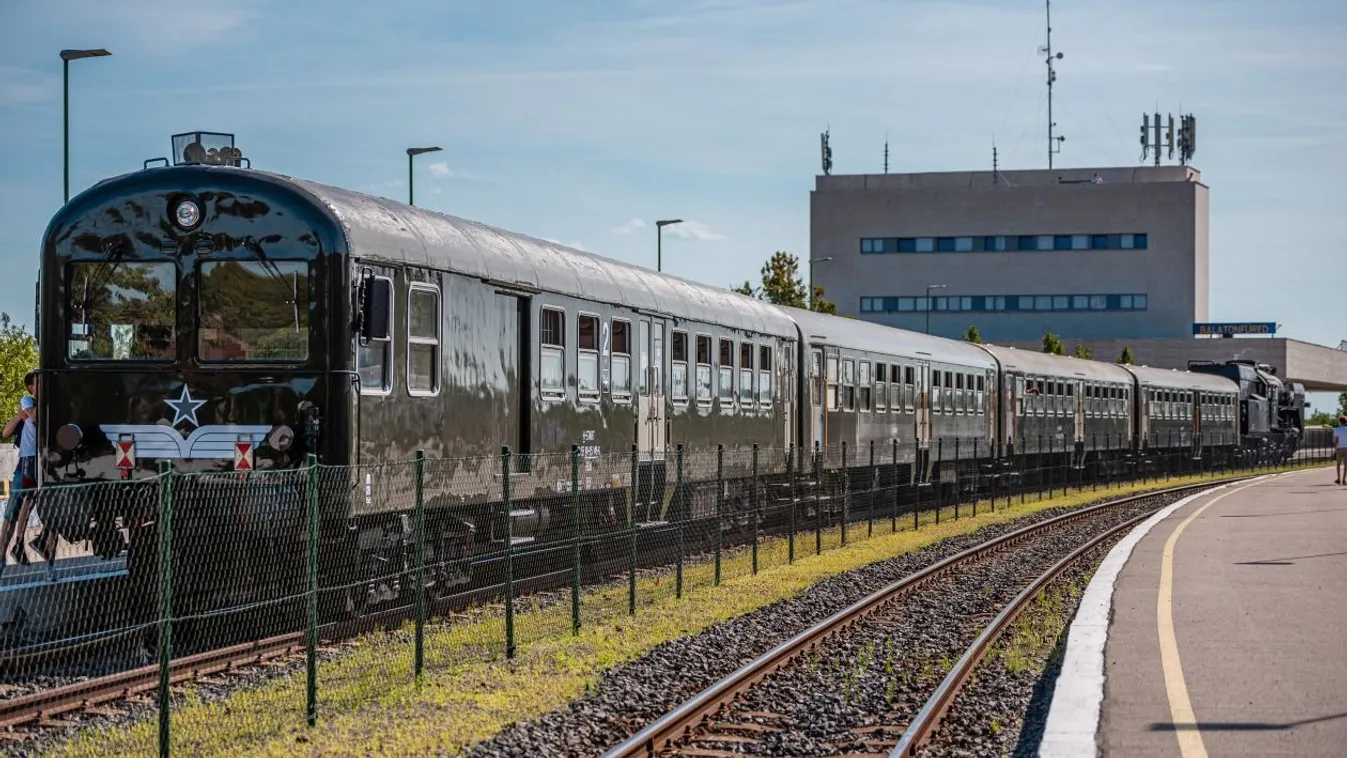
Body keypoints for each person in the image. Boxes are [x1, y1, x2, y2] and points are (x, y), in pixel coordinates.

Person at [1, 371, 39, 576]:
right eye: (38, 383)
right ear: (31, 387)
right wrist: (19, 416)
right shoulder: (28, 402)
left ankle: (19, 543)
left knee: (28, 501)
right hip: (26, 460)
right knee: (16, 505)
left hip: (39, 460)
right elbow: (7, 432)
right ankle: (3, 553)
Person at [1335, 415, 1347, 484]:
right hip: (1346, 448)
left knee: (1338, 464)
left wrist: (1335, 448)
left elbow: (1337, 440)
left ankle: (1338, 479)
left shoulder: (1337, 429)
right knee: (1346, 465)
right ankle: (1344, 479)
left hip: (1339, 448)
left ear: (1340, 421)